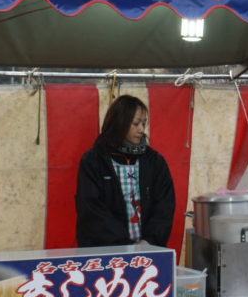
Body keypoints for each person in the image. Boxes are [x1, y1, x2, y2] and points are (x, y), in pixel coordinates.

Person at [75, 95, 176, 247]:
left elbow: (165, 205)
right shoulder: (94, 160)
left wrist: (149, 242)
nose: (141, 129)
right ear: (119, 122)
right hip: (105, 251)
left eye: (144, 123)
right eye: (135, 123)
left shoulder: (154, 161)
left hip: (146, 250)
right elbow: (91, 208)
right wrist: (124, 245)